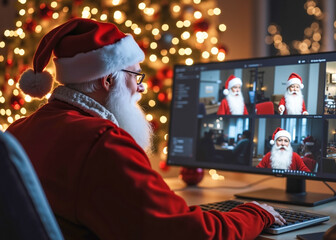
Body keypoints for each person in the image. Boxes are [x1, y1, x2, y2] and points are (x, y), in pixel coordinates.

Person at [6, 18, 285, 239]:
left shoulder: (18, 130)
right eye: (135, 75)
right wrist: (254, 214)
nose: (141, 86)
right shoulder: (102, 142)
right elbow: (189, 234)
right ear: (106, 80)